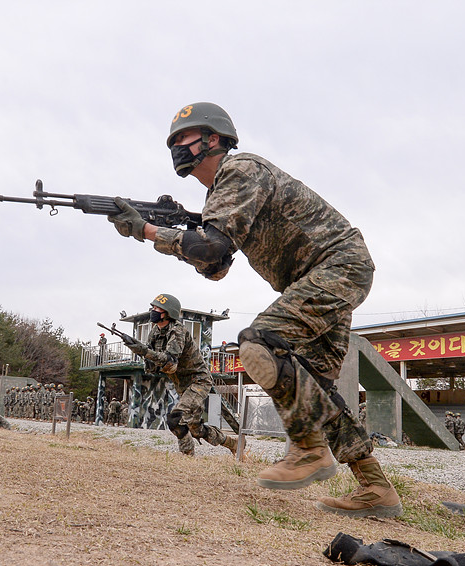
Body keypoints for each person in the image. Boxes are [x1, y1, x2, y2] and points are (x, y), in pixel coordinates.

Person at [107, 102, 400, 518]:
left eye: (183, 138)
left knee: (258, 345)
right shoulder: (217, 197)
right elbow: (215, 267)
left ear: (213, 139)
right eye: (172, 141)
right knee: (314, 383)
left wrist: (148, 230)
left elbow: (210, 247)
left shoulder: (239, 170)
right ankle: (376, 487)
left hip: (338, 266)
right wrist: (173, 234)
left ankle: (309, 451)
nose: (175, 146)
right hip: (317, 279)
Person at [121, 293, 240, 457]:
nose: (152, 311)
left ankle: (187, 455)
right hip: (183, 385)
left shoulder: (177, 332)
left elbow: (170, 364)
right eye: (153, 307)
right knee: (196, 429)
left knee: (175, 418)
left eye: (157, 308)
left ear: (167, 313)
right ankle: (232, 443)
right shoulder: (155, 331)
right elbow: (152, 368)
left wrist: (144, 351)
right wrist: (141, 351)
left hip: (199, 381)